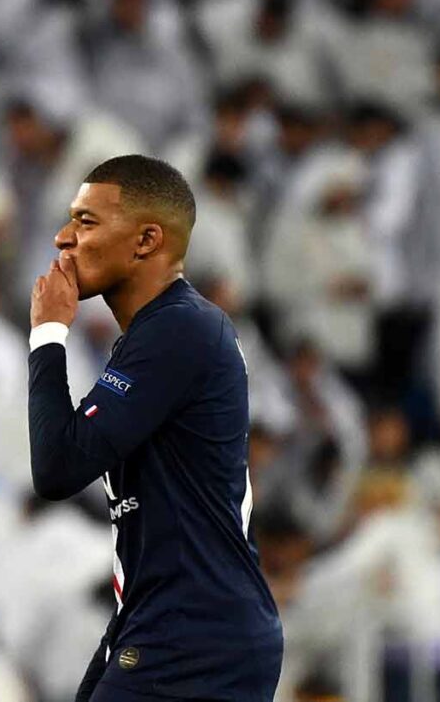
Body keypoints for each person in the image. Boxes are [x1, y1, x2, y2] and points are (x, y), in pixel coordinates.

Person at [27, 155, 282, 701]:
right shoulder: (162, 333)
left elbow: (57, 466)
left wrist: (48, 334)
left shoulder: (180, 329)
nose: (63, 238)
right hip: (170, 621)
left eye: (86, 221)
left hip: (195, 632)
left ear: (146, 240)